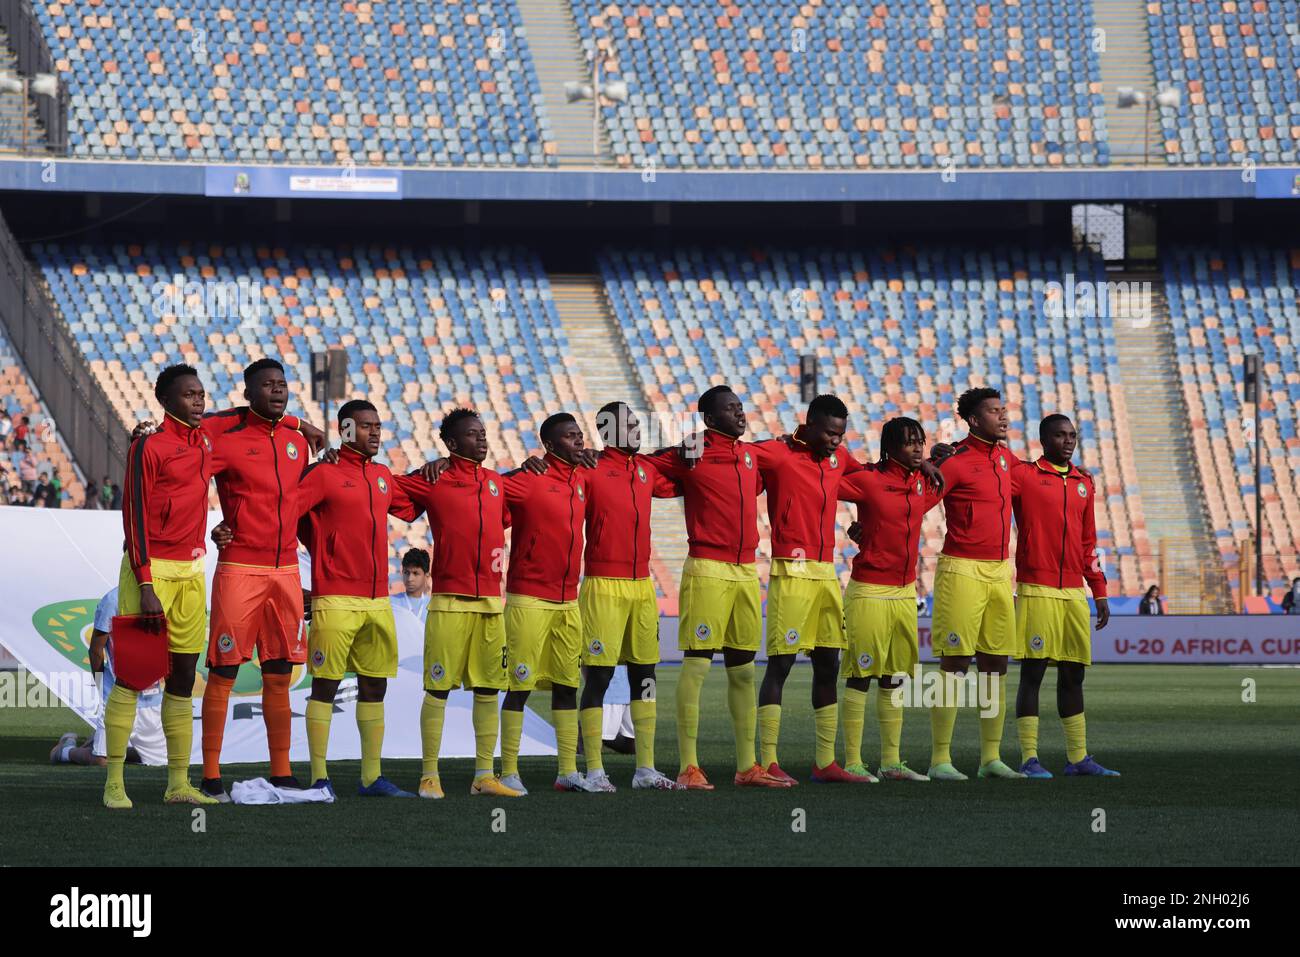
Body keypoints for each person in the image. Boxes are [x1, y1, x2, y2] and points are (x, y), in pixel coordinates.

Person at [641, 385, 782, 790]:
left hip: (744, 572)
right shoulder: (692, 450)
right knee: (698, 665)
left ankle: (746, 767)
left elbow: (792, 453)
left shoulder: (752, 454)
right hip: (707, 568)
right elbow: (646, 467)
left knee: (742, 671)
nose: (740, 413)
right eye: (730, 409)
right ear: (708, 418)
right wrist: (678, 450)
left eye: (740, 406)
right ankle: (689, 766)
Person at [198, 358, 318, 800]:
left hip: (285, 571)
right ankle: (210, 775)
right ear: (248, 394)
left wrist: (298, 423)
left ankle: (282, 772)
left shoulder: (295, 442)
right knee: (224, 671)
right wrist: (211, 527)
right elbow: (194, 483)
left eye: (282, 384)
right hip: (239, 570)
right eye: (267, 385)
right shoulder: (225, 439)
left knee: (280, 672)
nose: (277, 391)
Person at [103, 364, 219, 808]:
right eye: (189, 395)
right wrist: (146, 581)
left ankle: (177, 785)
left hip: (192, 574)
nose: (198, 401)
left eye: (201, 394)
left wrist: (300, 425)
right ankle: (114, 782)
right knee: (133, 677)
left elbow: (238, 416)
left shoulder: (206, 439)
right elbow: (132, 516)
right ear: (166, 401)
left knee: (185, 677)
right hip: (149, 574)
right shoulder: (148, 446)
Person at [394, 408, 520, 799]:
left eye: (483, 433)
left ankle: (484, 774)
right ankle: (428, 775)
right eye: (472, 434)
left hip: (490, 604)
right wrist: (421, 470)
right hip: (448, 602)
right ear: (451, 444)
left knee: (487, 689)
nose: (482, 439)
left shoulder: (497, 483)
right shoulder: (434, 480)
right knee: (439, 689)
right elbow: (381, 487)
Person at [296, 399, 418, 798]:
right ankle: (319, 776)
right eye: (366, 426)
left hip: (378, 599)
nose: (375, 433)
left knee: (374, 686)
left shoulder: (382, 476)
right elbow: (290, 513)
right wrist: (317, 548)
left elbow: (413, 504)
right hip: (335, 597)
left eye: (378, 426)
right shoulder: (324, 474)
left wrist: (437, 471)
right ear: (346, 429)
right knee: (326, 687)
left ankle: (371, 777)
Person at [751, 394, 876, 785]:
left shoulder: (838, 458)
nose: (836, 441)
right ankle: (768, 761)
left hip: (825, 572)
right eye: (829, 433)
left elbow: (868, 481)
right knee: (781, 664)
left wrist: (861, 520)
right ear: (809, 425)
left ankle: (826, 763)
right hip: (792, 567)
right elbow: (733, 456)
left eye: (840, 434)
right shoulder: (777, 453)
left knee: (829, 663)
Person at [569, 401, 682, 791]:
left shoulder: (647, 469)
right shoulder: (589, 467)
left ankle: (645, 769)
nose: (636, 428)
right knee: (598, 676)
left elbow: (686, 471)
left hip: (641, 586)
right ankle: (596, 771)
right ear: (606, 431)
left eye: (636, 422)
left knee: (645, 676)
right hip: (603, 586)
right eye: (627, 424)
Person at [838, 416, 947, 781]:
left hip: (904, 593)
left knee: (894, 677)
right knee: (861, 674)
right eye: (909, 442)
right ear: (890, 447)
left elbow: (952, 469)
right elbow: (823, 481)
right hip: (868, 590)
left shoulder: (922, 482)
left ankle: (891, 763)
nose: (917, 448)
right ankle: (852, 761)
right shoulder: (869, 480)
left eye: (921, 441)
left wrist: (939, 458)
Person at [1011, 414, 1118, 777]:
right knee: (1033, 674)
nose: (1068, 441)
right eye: (1060, 435)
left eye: (1072, 435)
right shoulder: (1024, 475)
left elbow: (1088, 542)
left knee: (1074, 675)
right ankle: (1029, 758)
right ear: (1044, 440)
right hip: (1036, 588)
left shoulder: (1084, 482)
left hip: (1074, 591)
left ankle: (1078, 758)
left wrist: (1098, 589)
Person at [926, 386, 1025, 780]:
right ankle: (939, 760)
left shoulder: (1005, 458)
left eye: (1003, 410)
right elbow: (915, 503)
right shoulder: (956, 461)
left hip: (1001, 570)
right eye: (993, 411)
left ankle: (990, 759)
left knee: (995, 664)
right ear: (972, 420)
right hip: (962, 569)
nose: (1002, 416)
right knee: (955, 663)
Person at [498, 412, 596, 794]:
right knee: (519, 685)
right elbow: (488, 493)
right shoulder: (530, 479)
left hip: (568, 600)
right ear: (550, 445)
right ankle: (508, 771)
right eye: (571, 437)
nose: (579, 442)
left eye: (580, 435)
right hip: (528, 599)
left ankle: (567, 771)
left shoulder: (583, 477)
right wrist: (516, 471)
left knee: (566, 685)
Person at [50, 585, 166, 768]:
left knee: (158, 763)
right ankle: (64, 752)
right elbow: (96, 650)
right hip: (116, 695)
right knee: (102, 761)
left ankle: (99, 741)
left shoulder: (166, 592)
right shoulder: (113, 599)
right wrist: (100, 686)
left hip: (152, 700)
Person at [392, 548, 431, 622]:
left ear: (427, 576)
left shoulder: (432, 606)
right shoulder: (391, 603)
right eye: (406, 573)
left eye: (415, 573)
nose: (410, 579)